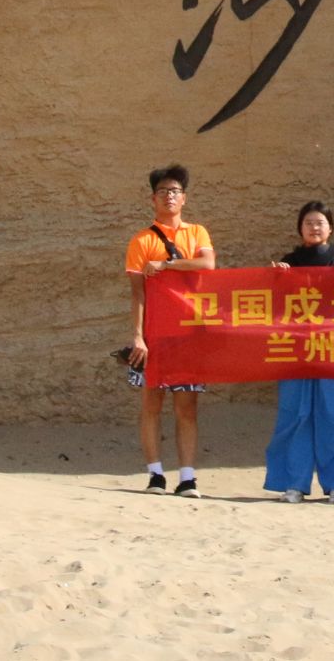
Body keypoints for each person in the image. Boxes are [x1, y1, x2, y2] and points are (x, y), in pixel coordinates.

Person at [124, 163, 216, 495]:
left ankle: (187, 477)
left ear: (184, 198)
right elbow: (138, 293)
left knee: (186, 406)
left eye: (175, 191)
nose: (169, 196)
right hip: (154, 334)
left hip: (188, 333)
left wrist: (166, 265)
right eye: (162, 191)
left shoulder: (197, 233)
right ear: (153, 198)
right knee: (151, 404)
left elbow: (208, 264)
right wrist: (138, 336)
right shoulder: (141, 240)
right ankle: (155, 475)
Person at [265, 201, 334, 503]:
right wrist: (276, 277)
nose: (314, 228)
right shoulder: (289, 263)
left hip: (333, 350)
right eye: (308, 223)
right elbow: (273, 304)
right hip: (296, 350)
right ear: (300, 228)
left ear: (330, 228)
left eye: (320, 223)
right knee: (296, 414)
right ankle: (295, 484)